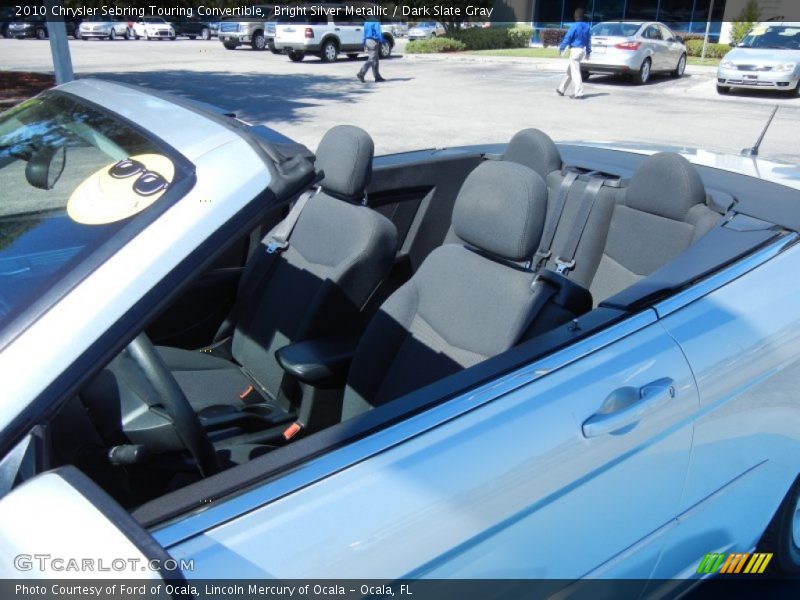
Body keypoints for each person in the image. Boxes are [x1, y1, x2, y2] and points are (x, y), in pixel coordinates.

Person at [557, 8, 592, 99]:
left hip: (575, 51)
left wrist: (561, 47)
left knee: (575, 72)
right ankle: (561, 89)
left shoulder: (574, 26)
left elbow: (568, 38)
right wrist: (588, 51)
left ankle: (579, 93)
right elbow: (588, 41)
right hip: (581, 51)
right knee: (570, 71)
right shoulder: (587, 26)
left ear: (575, 16)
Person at [357, 18, 386, 83]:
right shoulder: (376, 22)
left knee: (375, 59)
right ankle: (361, 73)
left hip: (367, 40)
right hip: (373, 41)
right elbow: (378, 33)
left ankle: (377, 76)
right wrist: (382, 41)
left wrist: (364, 42)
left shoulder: (366, 22)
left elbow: (364, 33)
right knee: (372, 59)